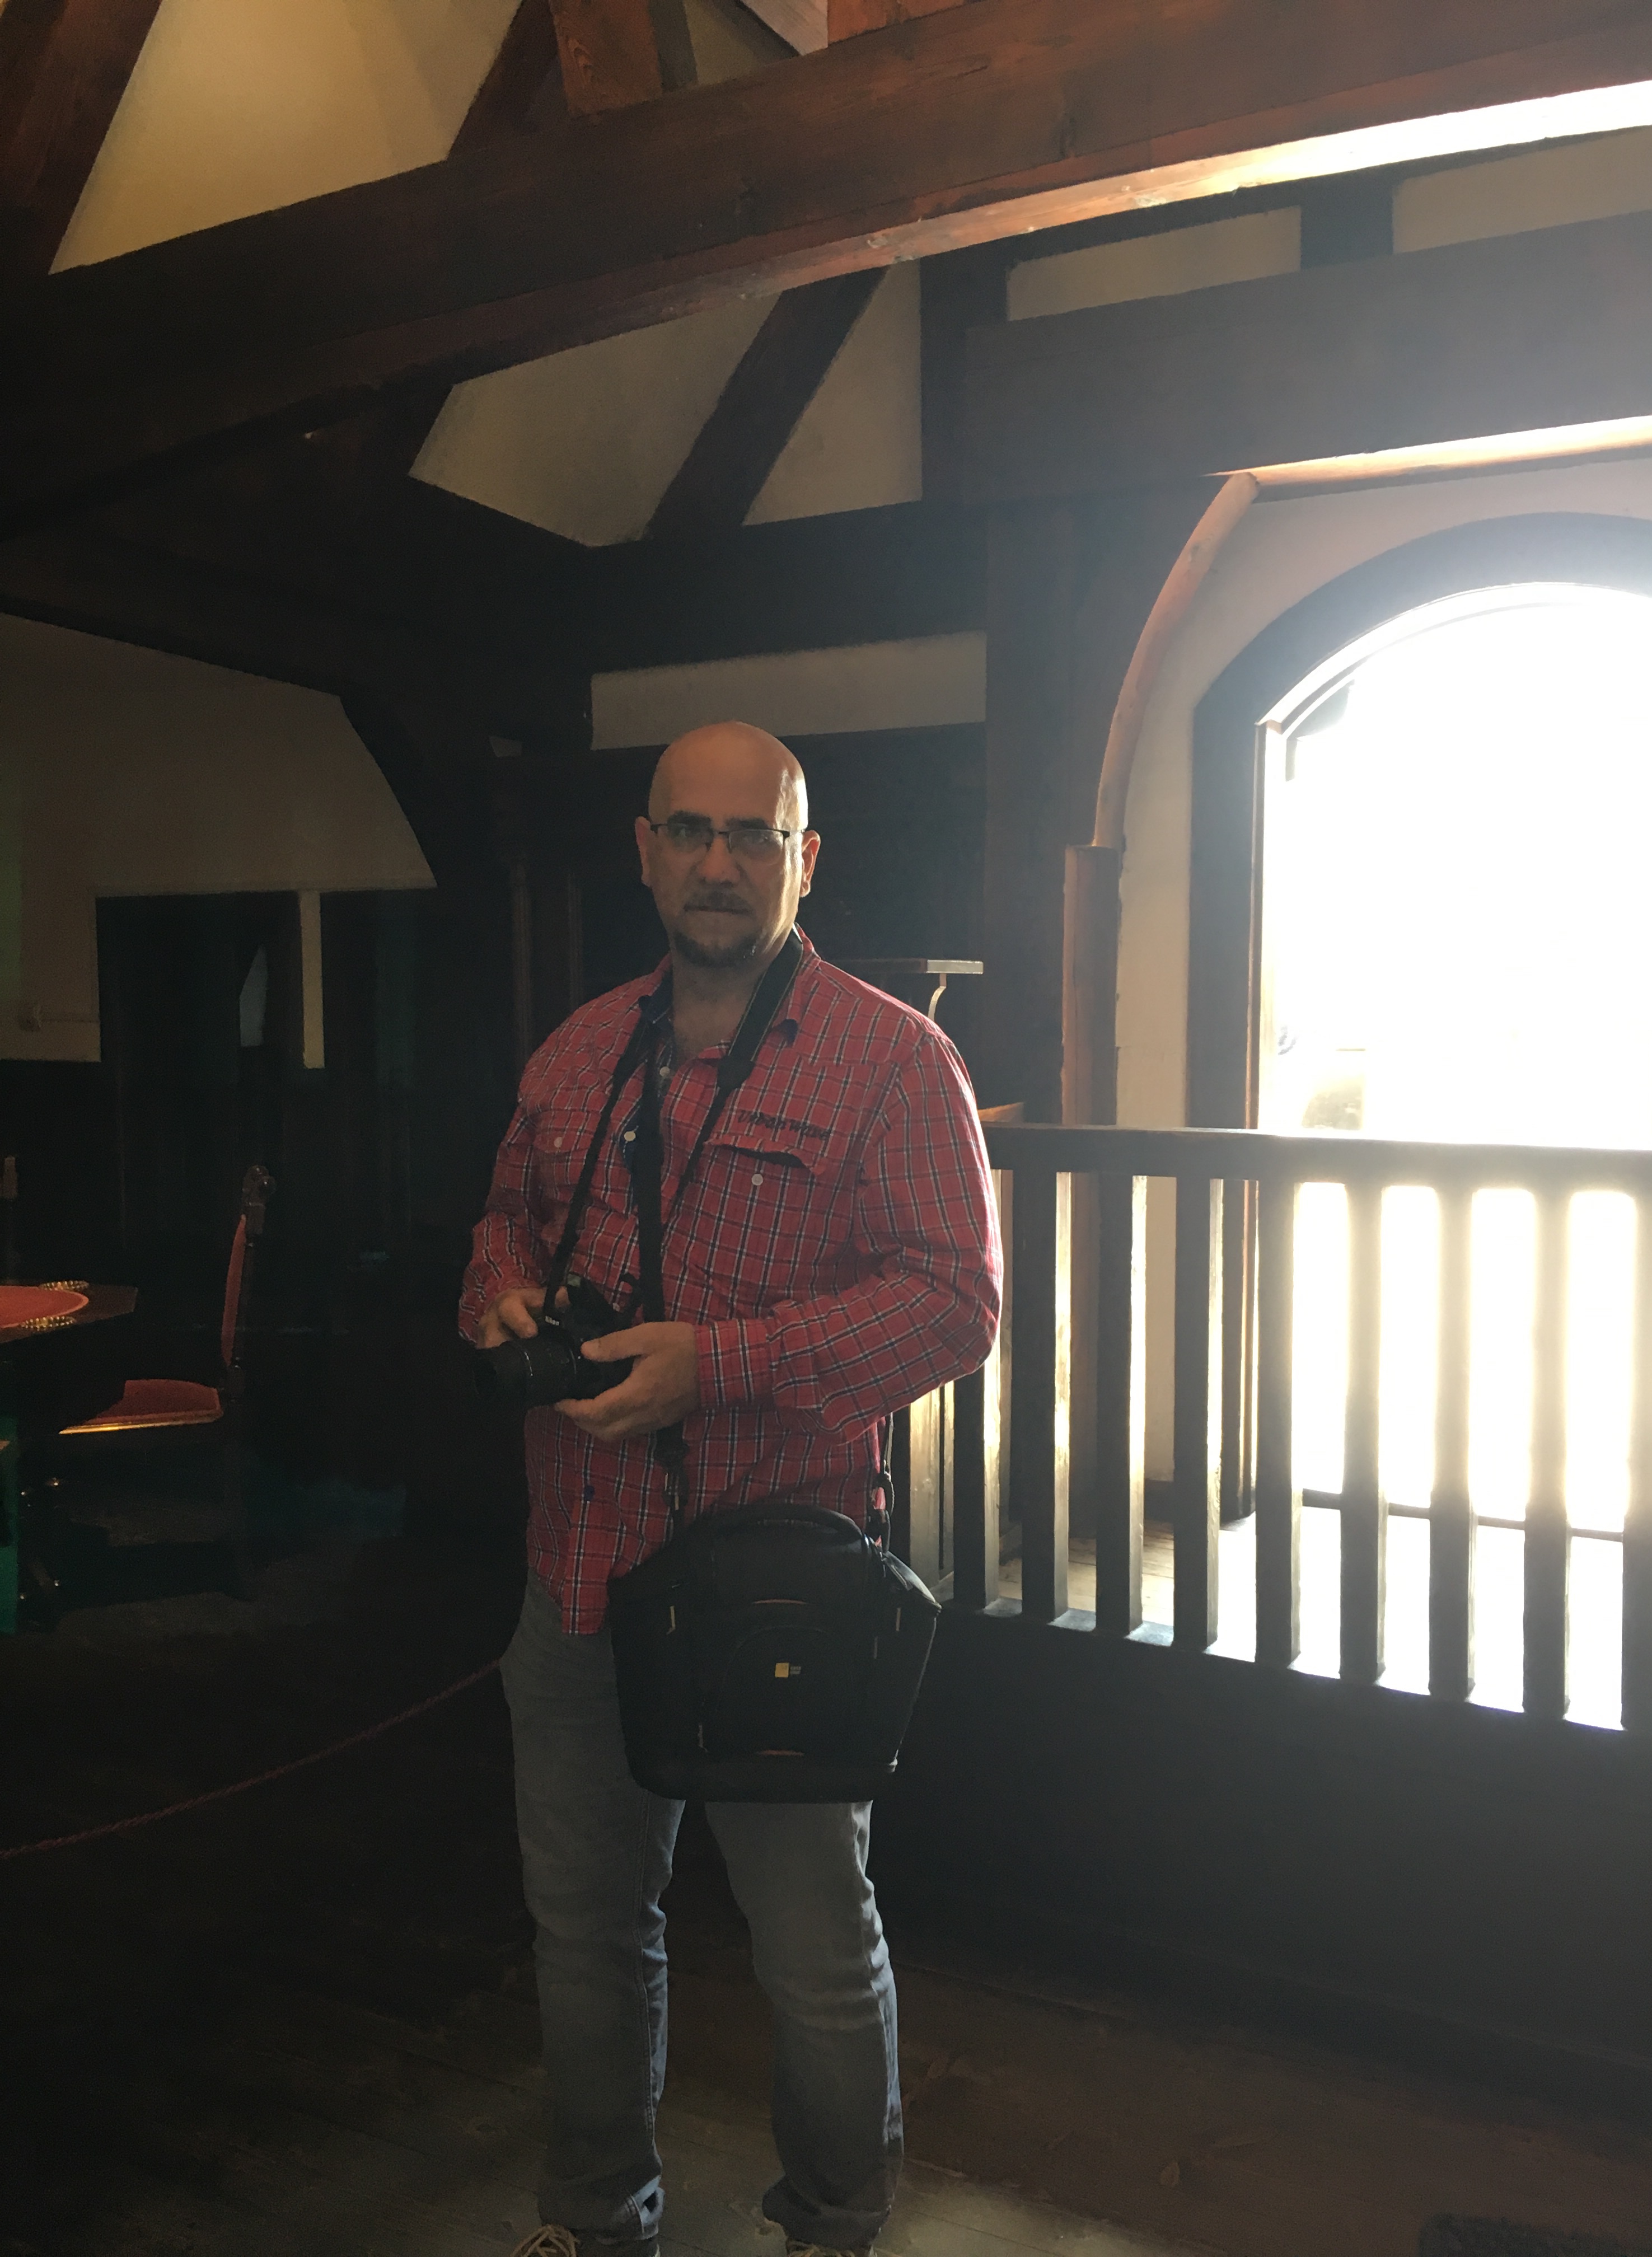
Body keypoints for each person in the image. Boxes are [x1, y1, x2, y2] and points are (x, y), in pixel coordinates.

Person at [460, 721, 1002, 2257]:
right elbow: (503, 1221)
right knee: (584, 1933)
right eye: (689, 831)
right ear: (644, 850)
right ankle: (594, 2220)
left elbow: (956, 1306)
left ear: (802, 859)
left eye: (752, 835)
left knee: (815, 1951)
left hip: (775, 1578)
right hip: (573, 1563)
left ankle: (833, 2226)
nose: (718, 863)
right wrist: (501, 1298)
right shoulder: (577, 1052)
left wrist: (721, 1365)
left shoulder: (898, 1060)